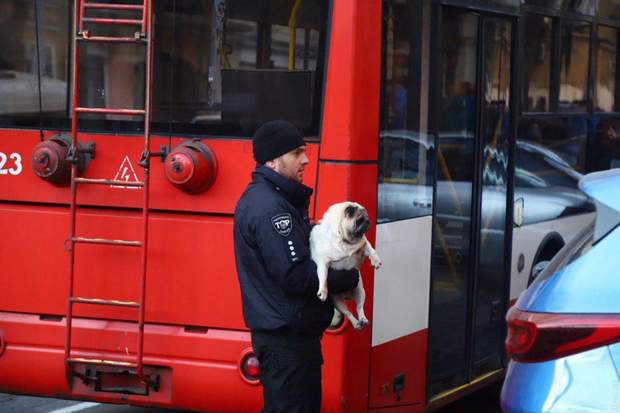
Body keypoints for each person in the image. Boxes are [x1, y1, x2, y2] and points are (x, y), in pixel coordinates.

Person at [233, 120, 360, 413]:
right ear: (272, 161)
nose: (305, 160)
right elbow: (295, 276)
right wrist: (347, 278)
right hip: (286, 340)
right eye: (296, 153)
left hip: (286, 337)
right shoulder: (272, 208)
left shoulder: (271, 199)